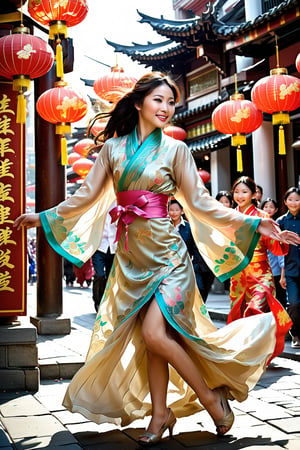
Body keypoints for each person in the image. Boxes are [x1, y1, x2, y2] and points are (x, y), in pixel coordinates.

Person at [14, 73, 300, 443]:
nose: (166, 109)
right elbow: (85, 196)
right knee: (154, 339)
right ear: (138, 103)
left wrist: (254, 224)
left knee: (153, 332)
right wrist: (43, 217)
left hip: (169, 257)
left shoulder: (176, 150)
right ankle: (160, 416)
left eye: (171, 104)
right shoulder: (113, 150)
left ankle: (211, 398)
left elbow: (200, 204)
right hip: (131, 259)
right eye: (159, 101)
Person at [227, 176, 289, 324]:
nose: (240, 196)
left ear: (254, 194)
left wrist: (279, 238)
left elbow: (276, 248)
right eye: (236, 192)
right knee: (239, 316)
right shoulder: (228, 217)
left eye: (244, 192)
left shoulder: (263, 217)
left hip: (261, 275)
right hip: (238, 275)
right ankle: (248, 346)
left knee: (256, 310)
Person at [168, 199, 214, 302]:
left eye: (176, 210)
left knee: (200, 288)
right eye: (171, 210)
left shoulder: (189, 227)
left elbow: (195, 249)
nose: (173, 213)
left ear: (182, 211)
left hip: (187, 265)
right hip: (168, 266)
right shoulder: (165, 227)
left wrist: (194, 265)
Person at [277, 187, 300, 348]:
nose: (293, 202)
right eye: (290, 199)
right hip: (290, 270)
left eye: (297, 199)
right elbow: (277, 251)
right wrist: (282, 275)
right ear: (285, 202)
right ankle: (296, 333)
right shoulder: (280, 222)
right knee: (293, 303)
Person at [261, 198, 287, 308]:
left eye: (271, 207)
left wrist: (283, 274)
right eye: (266, 207)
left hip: (275, 273)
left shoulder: (276, 227)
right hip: (261, 272)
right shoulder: (256, 225)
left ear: (276, 210)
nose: (268, 209)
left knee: (278, 302)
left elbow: (280, 254)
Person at [92, 203, 117, 312]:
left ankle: (107, 302)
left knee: (111, 278)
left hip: (114, 247)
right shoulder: (98, 202)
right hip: (99, 247)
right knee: (99, 275)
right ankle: (98, 300)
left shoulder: (120, 200)